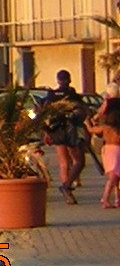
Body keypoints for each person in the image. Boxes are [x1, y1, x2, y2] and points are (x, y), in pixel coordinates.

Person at [40, 70, 89, 204]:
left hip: (57, 132)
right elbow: (83, 112)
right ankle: (66, 187)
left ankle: (67, 193)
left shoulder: (52, 96)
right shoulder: (72, 95)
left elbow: (44, 115)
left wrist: (47, 133)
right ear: (69, 79)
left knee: (63, 163)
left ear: (57, 80)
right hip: (71, 131)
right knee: (78, 161)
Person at [85, 96, 120, 209]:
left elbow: (91, 131)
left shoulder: (106, 128)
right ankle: (105, 199)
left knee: (113, 176)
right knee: (114, 177)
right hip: (116, 152)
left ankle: (117, 199)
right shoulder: (116, 131)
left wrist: (87, 123)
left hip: (107, 151)